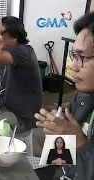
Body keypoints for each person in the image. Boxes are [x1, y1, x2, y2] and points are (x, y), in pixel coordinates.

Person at [35, 12, 94, 180]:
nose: (73, 67)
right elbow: (59, 163)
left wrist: (80, 144)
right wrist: (57, 136)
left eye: (82, 57)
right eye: (74, 56)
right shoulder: (83, 97)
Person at [0, 16, 42, 134]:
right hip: (7, 110)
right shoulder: (4, 54)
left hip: (21, 118)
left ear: (14, 37)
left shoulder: (24, 51)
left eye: (0, 33)